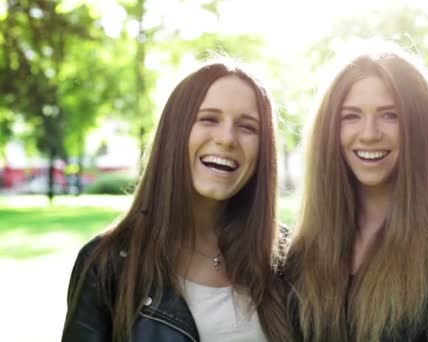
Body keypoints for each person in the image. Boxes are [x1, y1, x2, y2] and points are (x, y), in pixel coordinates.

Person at [62, 59, 291, 342]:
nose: (227, 138)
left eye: (247, 127)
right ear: (175, 131)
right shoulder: (107, 264)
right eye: (208, 119)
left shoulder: (287, 260)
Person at [285, 41, 428, 342]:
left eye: (390, 115)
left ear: (420, 127)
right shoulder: (301, 250)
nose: (370, 134)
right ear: (329, 131)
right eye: (351, 116)